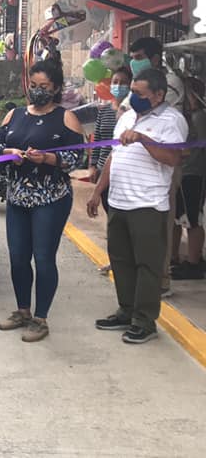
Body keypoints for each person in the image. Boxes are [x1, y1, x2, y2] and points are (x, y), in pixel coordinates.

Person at [88, 69, 187, 344]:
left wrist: (144, 139)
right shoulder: (127, 116)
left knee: (147, 264)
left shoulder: (172, 121)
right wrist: (98, 191)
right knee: (121, 259)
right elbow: (113, 155)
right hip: (119, 200)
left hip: (148, 203)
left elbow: (172, 158)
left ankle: (144, 320)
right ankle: (126, 310)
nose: (134, 97)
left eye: (141, 94)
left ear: (158, 95)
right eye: (133, 92)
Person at [0, 60, 84, 342]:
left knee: (43, 258)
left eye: (43, 87)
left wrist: (47, 158)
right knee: (18, 257)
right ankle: (22, 310)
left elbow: (77, 158)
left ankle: (41, 318)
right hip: (18, 196)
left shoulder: (66, 118)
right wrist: (8, 151)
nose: (37, 91)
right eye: (33, 86)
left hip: (50, 198)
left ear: (55, 87)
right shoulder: (14, 115)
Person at [129, 36, 185, 297]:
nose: (133, 62)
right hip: (136, 174)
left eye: (139, 57)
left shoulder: (168, 86)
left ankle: (160, 278)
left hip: (161, 168)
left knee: (160, 224)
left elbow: (162, 123)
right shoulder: (140, 91)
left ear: (153, 58)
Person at [170, 78, 206, 281]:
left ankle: (194, 262)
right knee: (178, 217)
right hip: (182, 171)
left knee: (193, 219)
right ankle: (174, 257)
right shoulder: (182, 116)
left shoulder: (199, 116)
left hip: (194, 173)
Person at [90, 67, 132, 214]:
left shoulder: (132, 112)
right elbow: (97, 140)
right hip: (103, 170)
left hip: (123, 169)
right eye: (115, 82)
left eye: (123, 82)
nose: (118, 86)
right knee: (108, 207)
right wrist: (93, 165)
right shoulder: (104, 111)